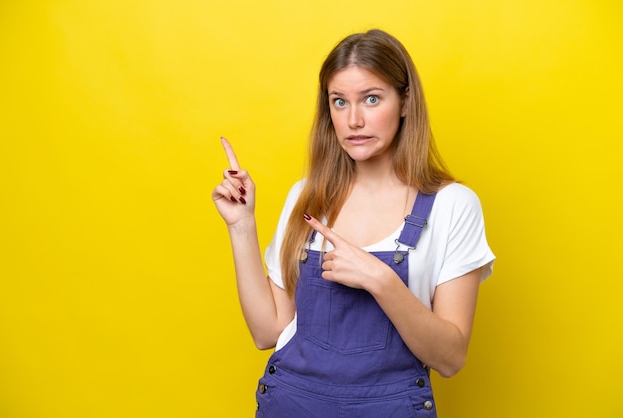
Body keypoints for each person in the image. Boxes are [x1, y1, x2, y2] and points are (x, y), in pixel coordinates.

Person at [212, 29, 495, 417]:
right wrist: (241, 225)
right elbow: (268, 332)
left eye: (372, 98)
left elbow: (450, 358)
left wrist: (380, 281)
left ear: (405, 102)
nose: (354, 120)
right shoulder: (307, 197)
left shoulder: (452, 206)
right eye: (339, 102)